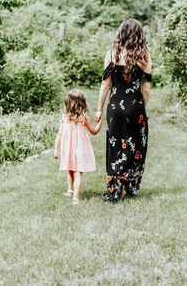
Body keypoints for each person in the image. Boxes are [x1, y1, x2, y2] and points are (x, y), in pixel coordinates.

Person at [95, 18, 152, 202]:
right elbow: (146, 89)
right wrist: (143, 107)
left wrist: (99, 109)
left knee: (115, 146)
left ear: (122, 33)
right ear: (139, 35)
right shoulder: (144, 57)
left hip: (115, 109)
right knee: (136, 146)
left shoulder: (111, 54)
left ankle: (115, 187)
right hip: (135, 107)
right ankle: (128, 185)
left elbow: (105, 85)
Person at [54, 89, 102, 204]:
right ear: (82, 103)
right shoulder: (83, 118)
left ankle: (73, 194)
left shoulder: (64, 118)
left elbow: (59, 135)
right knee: (77, 172)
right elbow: (94, 131)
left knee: (70, 169)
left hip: (68, 149)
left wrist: (56, 149)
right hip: (80, 149)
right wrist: (100, 122)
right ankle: (73, 195)